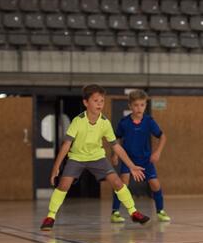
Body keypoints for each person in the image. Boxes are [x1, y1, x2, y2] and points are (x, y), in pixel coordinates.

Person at [40, 84, 150, 230]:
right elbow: (66, 145)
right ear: (86, 103)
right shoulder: (77, 121)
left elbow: (116, 146)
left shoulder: (104, 123)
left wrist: (131, 165)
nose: (100, 104)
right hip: (77, 158)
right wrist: (56, 167)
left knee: (117, 182)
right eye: (96, 101)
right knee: (63, 185)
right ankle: (50, 216)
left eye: (102, 101)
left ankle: (133, 212)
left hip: (97, 157)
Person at [110, 89, 170, 223]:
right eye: (136, 105)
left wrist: (157, 152)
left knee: (155, 184)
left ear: (145, 106)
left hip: (145, 159)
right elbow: (116, 139)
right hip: (128, 159)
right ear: (130, 106)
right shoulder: (124, 122)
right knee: (122, 184)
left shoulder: (149, 121)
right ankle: (115, 212)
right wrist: (115, 155)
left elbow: (163, 136)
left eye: (142, 105)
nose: (139, 108)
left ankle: (160, 211)